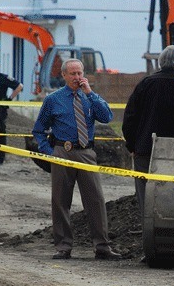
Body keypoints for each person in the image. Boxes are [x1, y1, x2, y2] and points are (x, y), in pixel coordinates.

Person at [32, 58, 123, 261]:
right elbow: (38, 129)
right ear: (64, 75)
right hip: (62, 151)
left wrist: (90, 93)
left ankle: (102, 246)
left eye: (80, 73)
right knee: (61, 200)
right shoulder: (53, 100)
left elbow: (107, 117)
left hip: (86, 152)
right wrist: (49, 151)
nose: (77, 77)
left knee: (96, 200)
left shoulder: (89, 97)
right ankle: (63, 246)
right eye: (72, 74)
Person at [122, 45, 174, 214]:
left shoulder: (145, 84)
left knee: (146, 197)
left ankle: (149, 231)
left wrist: (133, 146)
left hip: (146, 150)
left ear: (160, 63)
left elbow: (130, 118)